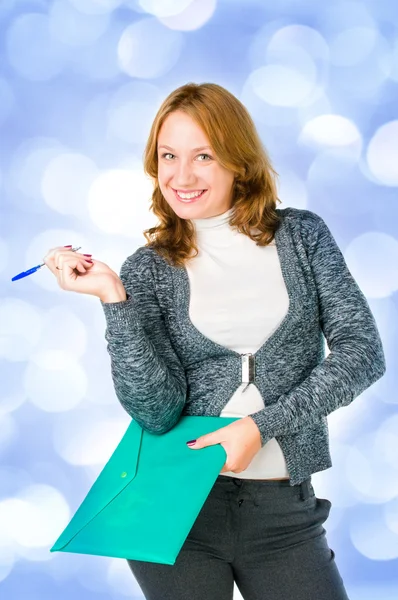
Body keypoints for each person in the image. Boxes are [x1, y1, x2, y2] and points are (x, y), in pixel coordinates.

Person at [44, 82, 386, 600]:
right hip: (175, 506)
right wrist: (115, 300)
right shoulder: (150, 269)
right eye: (169, 156)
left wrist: (262, 426)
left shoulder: (302, 237)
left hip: (283, 511)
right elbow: (156, 412)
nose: (182, 176)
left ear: (238, 161)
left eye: (203, 155)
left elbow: (363, 353)